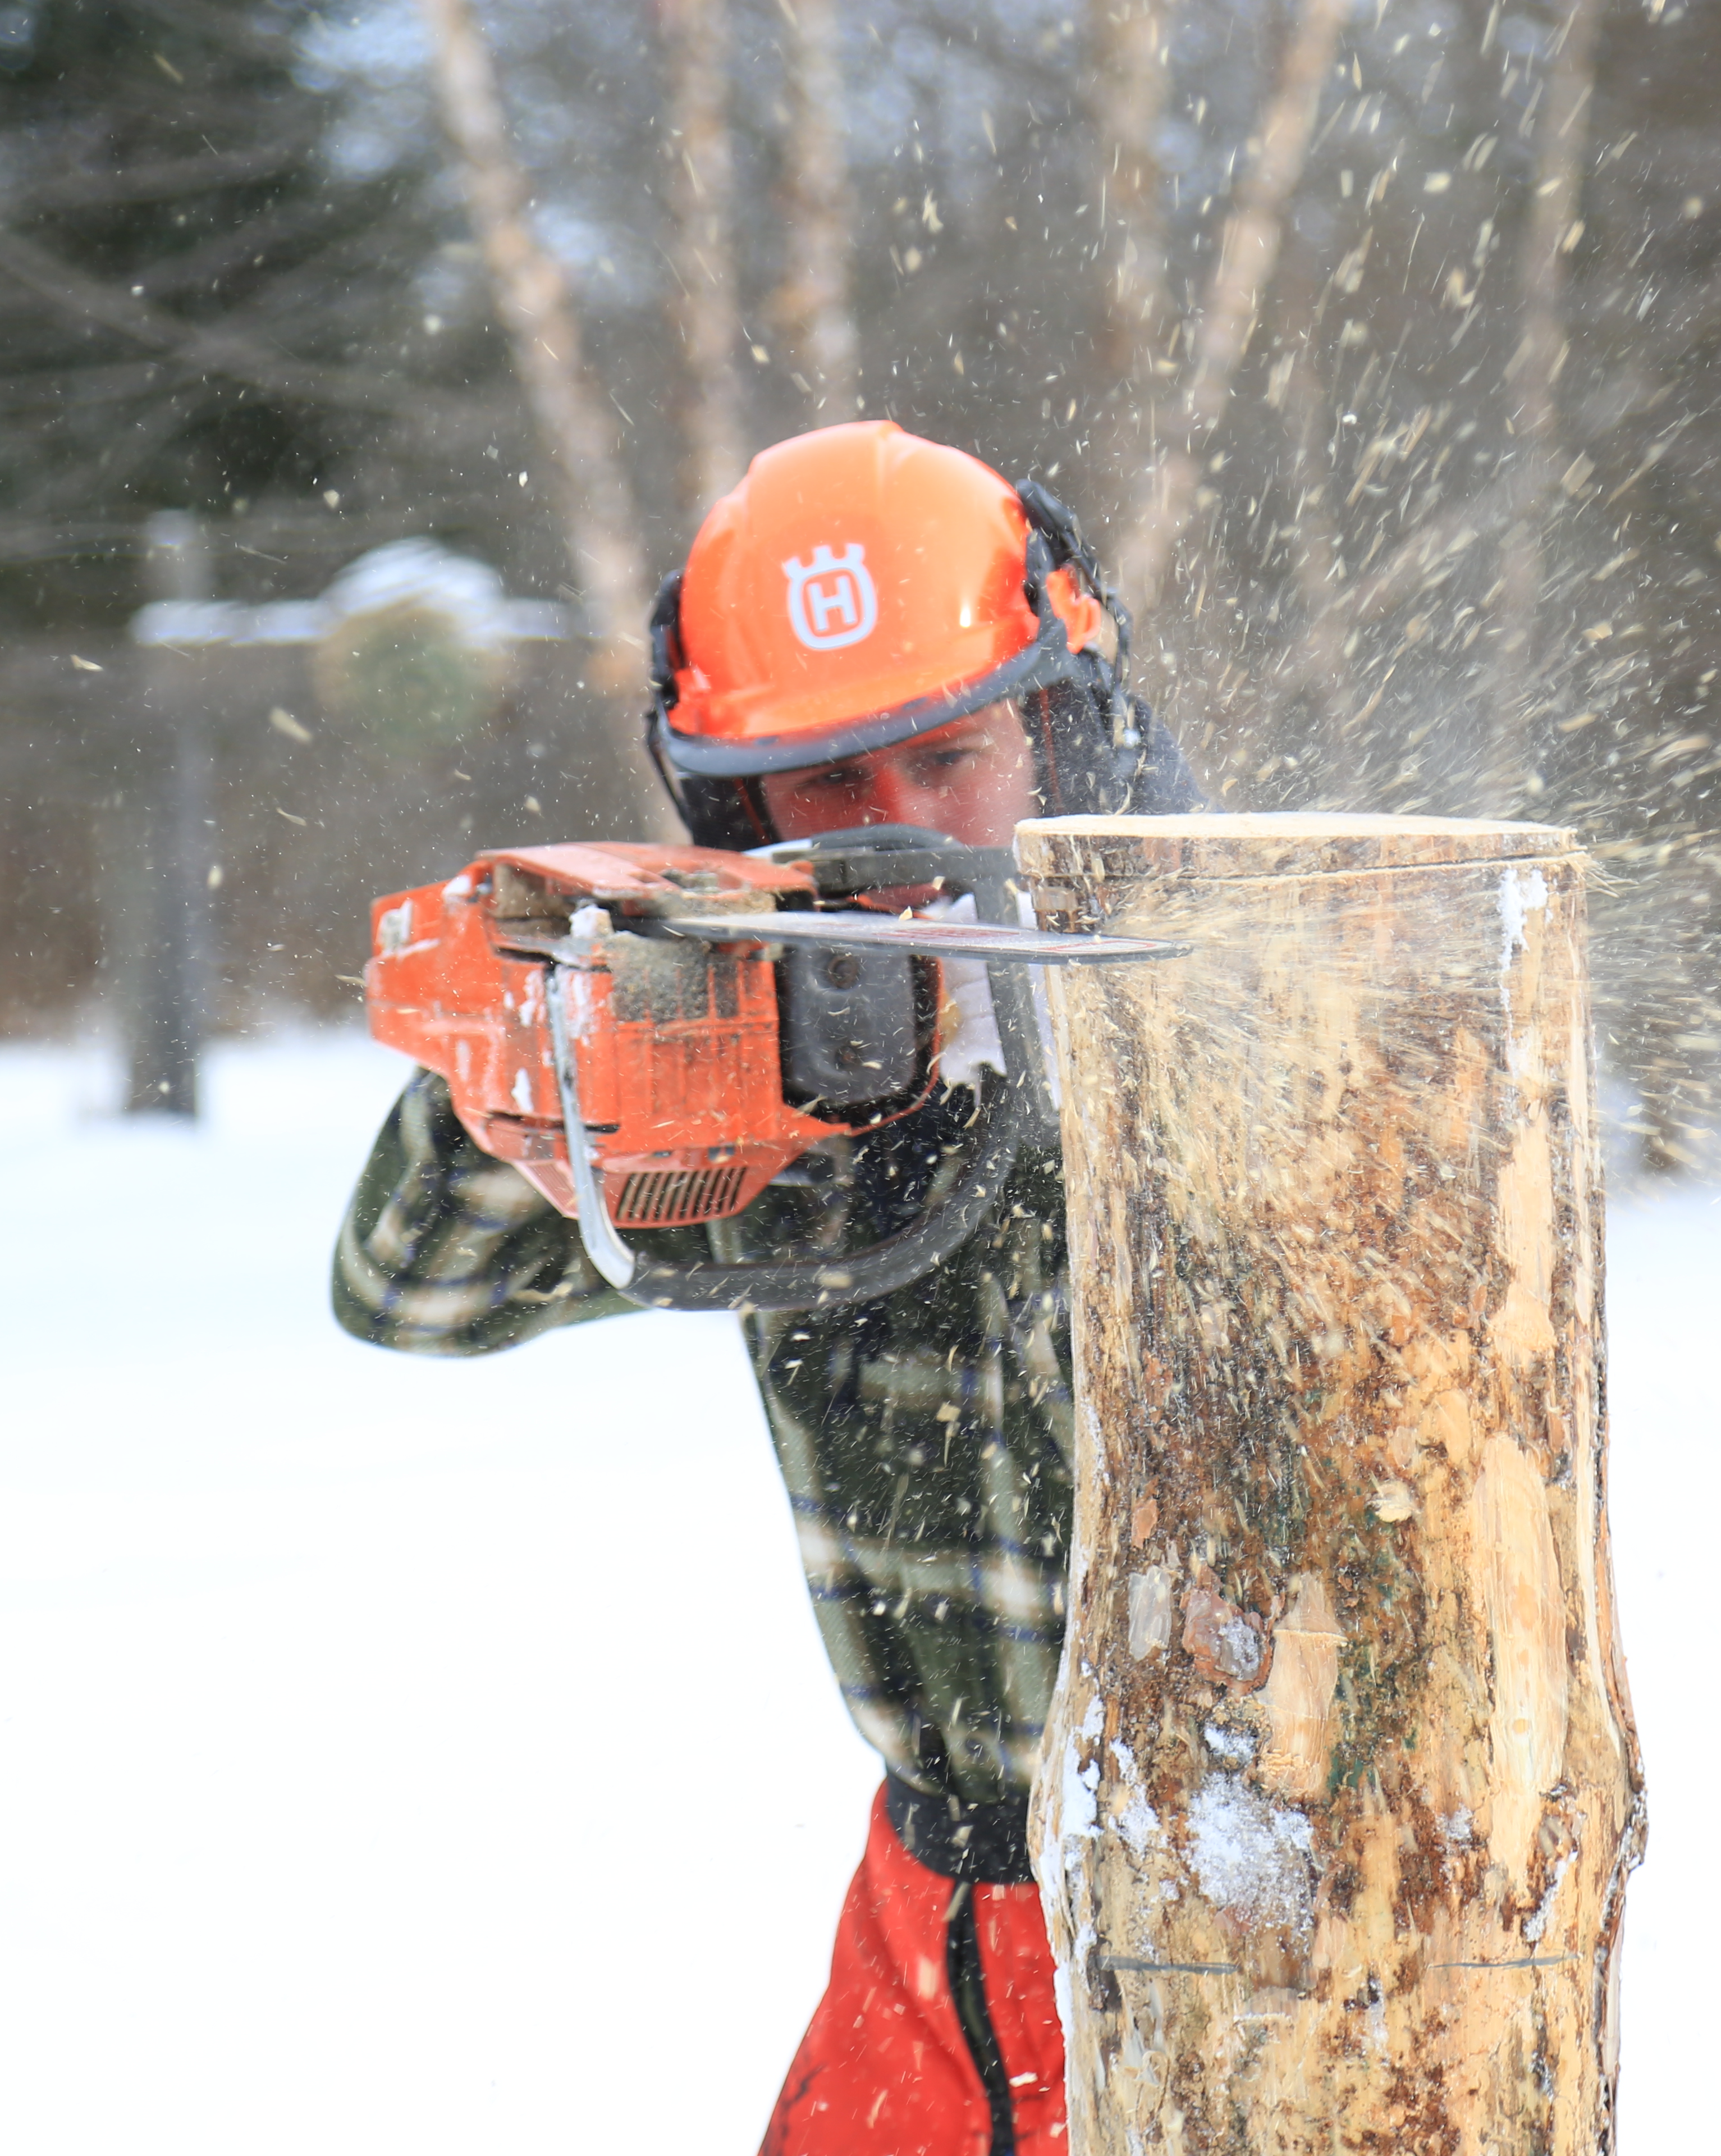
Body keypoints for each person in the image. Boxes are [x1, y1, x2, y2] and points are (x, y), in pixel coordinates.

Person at [329, 421, 1203, 2155]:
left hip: (1244, 1908)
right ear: (734, 807)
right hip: (944, 1892)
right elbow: (405, 1292)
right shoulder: (764, 1050)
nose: (899, 841)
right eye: (827, 791)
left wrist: (1044, 1048)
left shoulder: (1238, 1002)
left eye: (951, 761)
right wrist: (530, 1080)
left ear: (1066, 724)